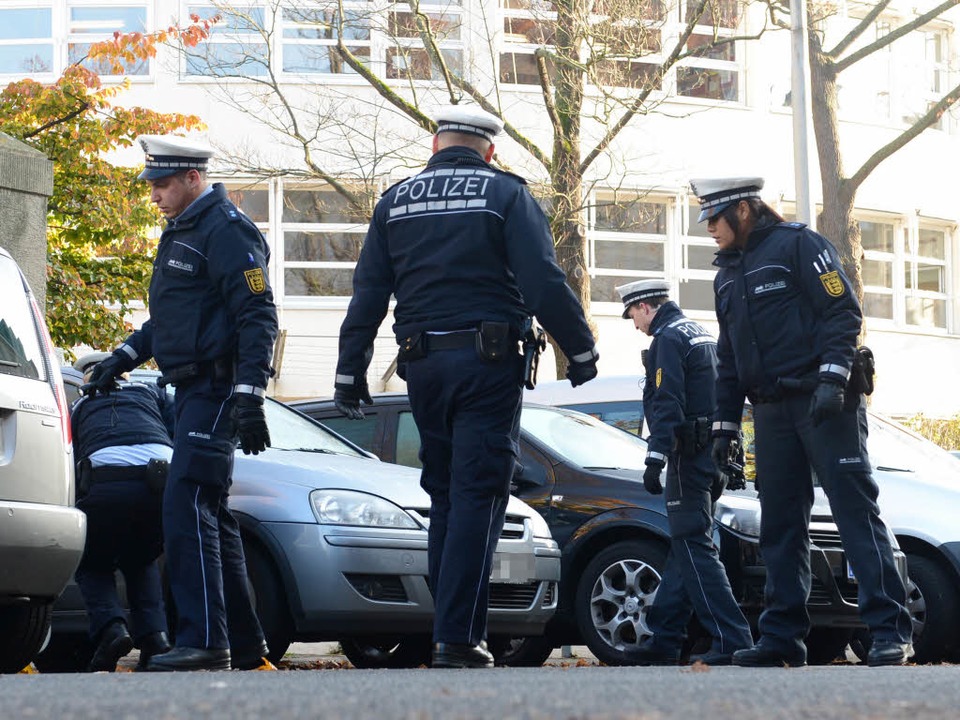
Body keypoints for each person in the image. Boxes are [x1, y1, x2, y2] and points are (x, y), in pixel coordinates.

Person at [334, 105, 599, 669]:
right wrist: (578, 349)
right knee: (478, 495)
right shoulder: (505, 195)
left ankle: (455, 633)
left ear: (435, 144)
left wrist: (349, 371)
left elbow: (368, 293)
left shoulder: (395, 201)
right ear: (491, 150)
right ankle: (456, 638)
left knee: (448, 498)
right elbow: (543, 280)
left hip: (423, 368)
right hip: (487, 365)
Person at [695, 176, 913, 667]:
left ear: (745, 211)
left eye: (714, 217)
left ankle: (889, 630)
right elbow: (728, 359)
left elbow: (841, 310)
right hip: (770, 412)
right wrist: (724, 428)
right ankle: (781, 639)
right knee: (780, 525)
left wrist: (834, 380)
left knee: (854, 513)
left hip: (825, 402)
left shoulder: (800, 245)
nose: (709, 228)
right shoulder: (726, 276)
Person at [83, 135, 278, 672]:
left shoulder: (227, 231)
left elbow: (259, 314)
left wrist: (250, 396)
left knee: (185, 503)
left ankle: (204, 643)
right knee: (211, 514)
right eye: (152, 185)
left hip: (217, 389)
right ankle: (244, 642)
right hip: (191, 388)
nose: (155, 196)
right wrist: (119, 358)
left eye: (163, 185)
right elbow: (171, 319)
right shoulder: (183, 233)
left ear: (194, 178)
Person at [615, 280, 753, 666]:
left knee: (694, 547)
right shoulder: (700, 332)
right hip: (714, 455)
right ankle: (665, 639)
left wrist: (655, 456)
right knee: (685, 548)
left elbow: (668, 400)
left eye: (633, 318)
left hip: (687, 457)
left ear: (644, 308)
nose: (635, 327)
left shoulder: (668, 339)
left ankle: (732, 637)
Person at [71, 353, 174, 672]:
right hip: (161, 483)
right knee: (141, 559)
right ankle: (155, 638)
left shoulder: (80, 407)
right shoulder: (150, 393)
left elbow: (72, 455)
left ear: (85, 380)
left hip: (107, 484)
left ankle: (111, 630)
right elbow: (177, 428)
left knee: (92, 562)